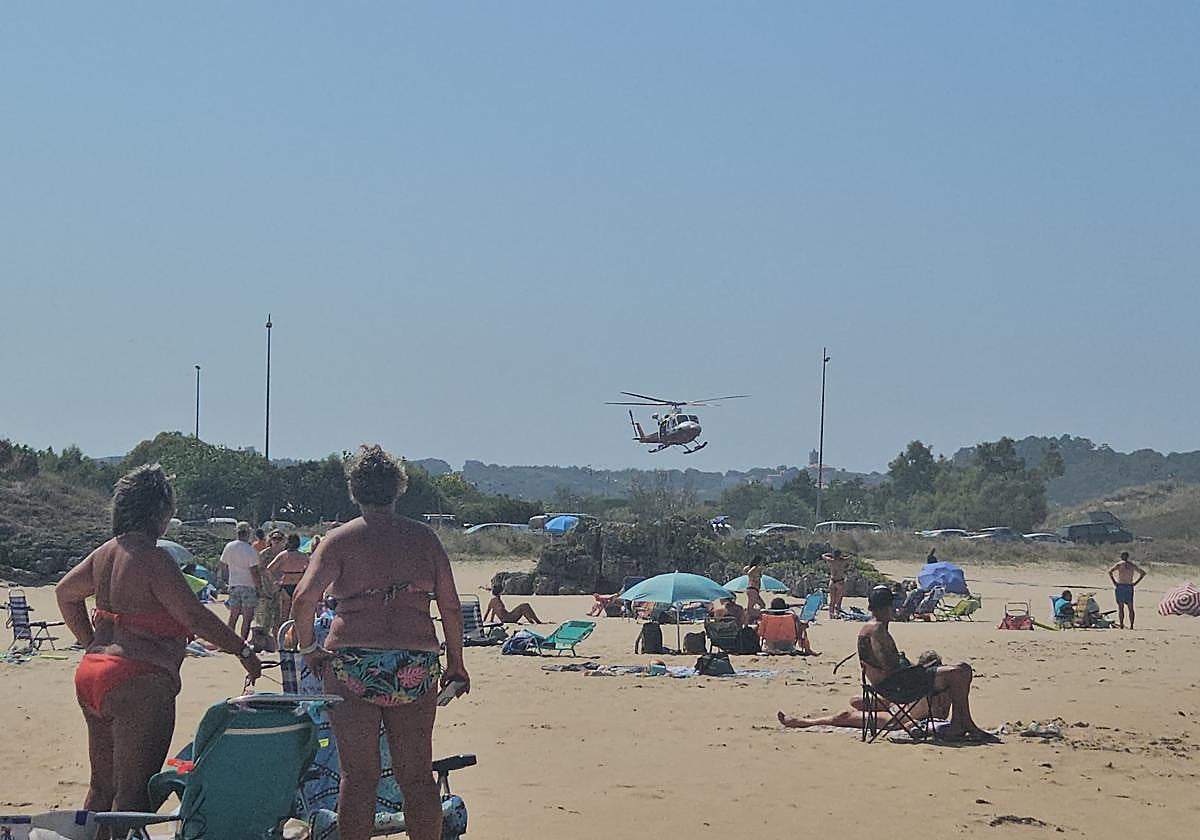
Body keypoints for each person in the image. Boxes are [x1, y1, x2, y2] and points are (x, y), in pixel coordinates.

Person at [55, 465, 262, 816]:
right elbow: (193, 616)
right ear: (160, 512)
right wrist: (242, 650)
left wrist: (90, 643)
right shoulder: (153, 558)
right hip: (139, 680)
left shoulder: (106, 552)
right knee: (134, 796)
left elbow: (65, 594)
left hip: (92, 675)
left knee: (101, 788)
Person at [291, 444, 469, 840]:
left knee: (357, 777)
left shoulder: (339, 540)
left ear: (354, 490)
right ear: (398, 489)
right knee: (417, 775)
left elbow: (303, 599)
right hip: (415, 663)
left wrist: (309, 649)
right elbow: (452, 606)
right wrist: (456, 664)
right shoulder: (424, 539)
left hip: (352, 662)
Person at [858, 585, 994, 741]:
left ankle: (961, 723)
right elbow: (889, 666)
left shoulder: (867, 629)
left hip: (889, 684)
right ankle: (963, 724)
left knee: (958, 669)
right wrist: (912, 667)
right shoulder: (877, 629)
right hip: (897, 687)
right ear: (888, 607)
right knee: (961, 671)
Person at [779, 651, 949, 729]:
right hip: (900, 706)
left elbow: (939, 717)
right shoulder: (918, 679)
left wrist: (914, 724)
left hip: (900, 718)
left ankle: (803, 723)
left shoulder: (942, 692)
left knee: (844, 715)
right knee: (855, 700)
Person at [220, 522, 261, 641]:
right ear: (248, 533)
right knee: (247, 617)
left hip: (234, 583)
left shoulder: (229, 546)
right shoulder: (249, 549)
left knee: (233, 615)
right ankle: (242, 641)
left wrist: (225, 579)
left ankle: (229, 641)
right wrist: (259, 587)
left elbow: (223, 564)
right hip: (248, 585)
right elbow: (254, 571)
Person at [267, 533, 309, 634]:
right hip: (298, 585)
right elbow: (311, 568)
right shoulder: (303, 556)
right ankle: (292, 639)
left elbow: (269, 569)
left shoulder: (283, 555)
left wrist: (275, 580)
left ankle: (282, 639)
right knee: (296, 615)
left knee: (284, 615)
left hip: (286, 583)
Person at [1108, 551, 1146, 629]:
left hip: (1122, 586)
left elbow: (1110, 572)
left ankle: (1124, 624)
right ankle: (1129, 625)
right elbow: (1142, 573)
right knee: (1129, 607)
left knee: (1122, 607)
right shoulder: (1131, 565)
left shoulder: (1120, 564)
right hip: (1127, 586)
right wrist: (1135, 583)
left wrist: (1114, 582)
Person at [825, 549, 849, 618]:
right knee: (838, 600)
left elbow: (823, 556)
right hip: (840, 581)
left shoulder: (831, 561)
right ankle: (836, 613)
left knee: (832, 600)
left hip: (832, 581)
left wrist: (829, 554)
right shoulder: (843, 561)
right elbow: (850, 557)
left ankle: (831, 614)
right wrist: (844, 556)